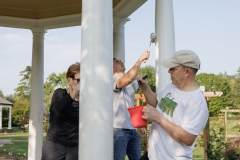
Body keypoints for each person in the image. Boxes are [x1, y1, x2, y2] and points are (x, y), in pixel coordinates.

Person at [138, 50, 209, 160]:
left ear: (186, 72)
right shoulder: (172, 87)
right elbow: (157, 103)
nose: (169, 71)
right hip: (151, 155)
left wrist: (158, 118)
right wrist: (145, 87)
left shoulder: (196, 102)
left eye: (173, 68)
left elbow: (188, 138)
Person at [113, 50, 150, 160]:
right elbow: (129, 78)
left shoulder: (126, 87)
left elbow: (130, 107)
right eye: (117, 61)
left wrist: (140, 124)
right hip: (118, 131)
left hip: (131, 130)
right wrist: (140, 59)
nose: (121, 61)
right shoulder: (111, 81)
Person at [42, 62, 80, 160]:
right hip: (54, 145)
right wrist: (73, 94)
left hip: (75, 147)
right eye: (78, 80)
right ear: (69, 80)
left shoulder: (86, 101)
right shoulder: (59, 93)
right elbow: (59, 107)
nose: (81, 84)